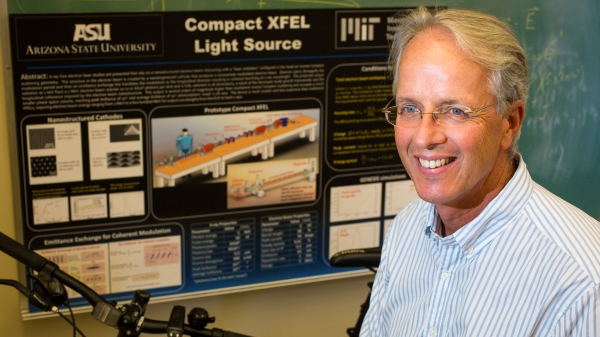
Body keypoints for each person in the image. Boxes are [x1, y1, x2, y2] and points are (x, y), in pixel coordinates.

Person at [360, 6, 600, 337]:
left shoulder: (582, 280)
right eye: (410, 109)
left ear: (510, 123)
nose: (424, 137)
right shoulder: (406, 229)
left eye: (455, 111)